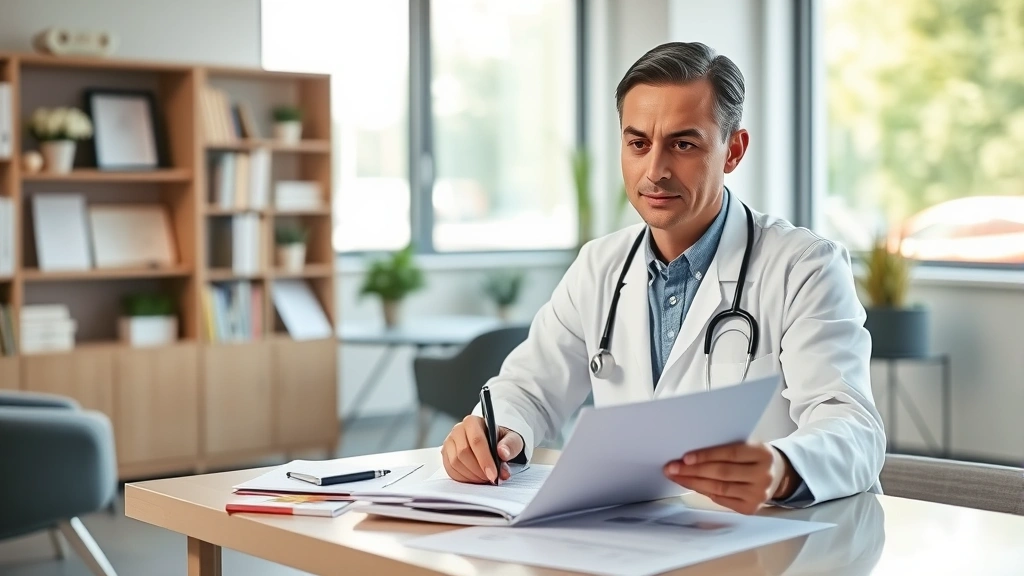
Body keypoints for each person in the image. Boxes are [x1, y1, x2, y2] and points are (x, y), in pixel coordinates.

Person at [440, 41, 885, 514]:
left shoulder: (804, 266)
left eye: (683, 144)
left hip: (786, 545)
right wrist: (497, 432)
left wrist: (783, 467)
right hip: (644, 543)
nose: (654, 171)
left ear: (733, 150)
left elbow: (852, 425)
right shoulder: (600, 267)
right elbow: (529, 388)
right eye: (638, 144)